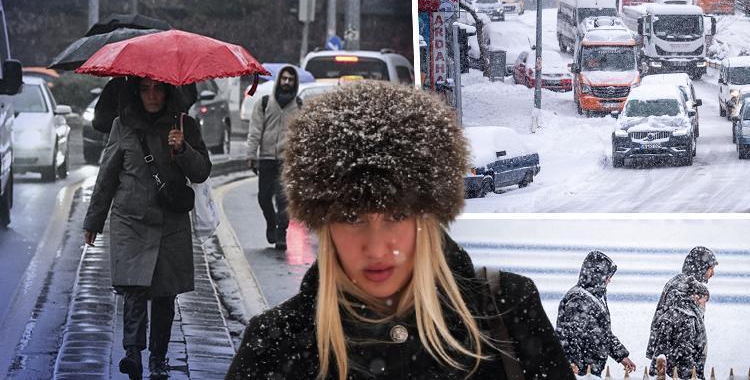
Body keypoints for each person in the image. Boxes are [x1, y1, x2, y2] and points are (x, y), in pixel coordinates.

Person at [226, 81, 575, 380]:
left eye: (396, 215)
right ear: (324, 223)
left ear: (427, 217)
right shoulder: (276, 343)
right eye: (352, 217)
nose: (377, 248)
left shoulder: (507, 312)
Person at [83, 77, 211, 380]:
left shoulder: (185, 125)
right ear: (136, 93)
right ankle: (132, 354)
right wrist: (93, 220)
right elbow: (107, 175)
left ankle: (158, 358)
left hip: (171, 220)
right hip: (131, 219)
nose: (151, 95)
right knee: (134, 288)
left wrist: (182, 150)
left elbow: (202, 171)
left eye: (157, 89)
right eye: (144, 89)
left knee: (165, 293)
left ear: (168, 91)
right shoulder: (122, 125)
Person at [246, 65, 301, 250]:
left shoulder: (299, 106)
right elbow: (255, 131)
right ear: (279, 80)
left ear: (295, 83)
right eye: (284, 79)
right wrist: (251, 154)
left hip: (287, 160)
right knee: (264, 198)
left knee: (283, 199)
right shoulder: (263, 103)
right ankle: (271, 223)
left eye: (290, 79)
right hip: (267, 159)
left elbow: (303, 136)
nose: (286, 82)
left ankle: (281, 233)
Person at [556, 251, 637, 376]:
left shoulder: (593, 298)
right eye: (607, 276)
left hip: (590, 370)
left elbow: (602, 334)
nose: (609, 280)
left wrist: (621, 356)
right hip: (580, 371)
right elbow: (568, 335)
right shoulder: (578, 299)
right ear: (597, 274)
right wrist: (571, 362)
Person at [646, 246, 717, 361]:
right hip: (677, 368)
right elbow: (683, 348)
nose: (713, 273)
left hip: (667, 361)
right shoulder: (685, 306)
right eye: (711, 268)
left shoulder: (679, 283)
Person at [648, 277, 709, 379]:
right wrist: (694, 375)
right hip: (678, 374)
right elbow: (684, 352)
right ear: (696, 297)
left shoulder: (670, 313)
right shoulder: (688, 318)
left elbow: (660, 346)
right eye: (704, 301)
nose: (704, 306)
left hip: (663, 372)